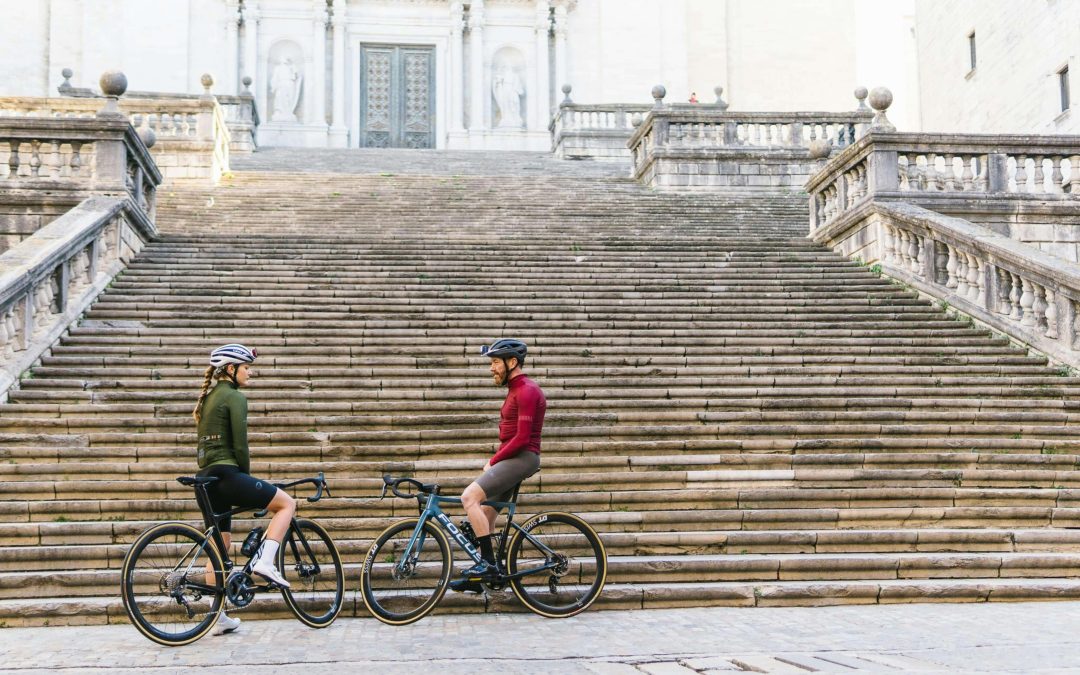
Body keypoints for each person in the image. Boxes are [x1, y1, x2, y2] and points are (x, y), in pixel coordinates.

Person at [193, 344, 297, 634]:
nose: (250, 372)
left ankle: (216, 618)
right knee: (286, 504)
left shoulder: (209, 397)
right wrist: (249, 480)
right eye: (246, 367)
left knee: (219, 547)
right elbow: (240, 445)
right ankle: (265, 562)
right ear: (231, 369)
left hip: (205, 478)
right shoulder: (235, 397)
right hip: (228, 475)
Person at [450, 338, 546, 593]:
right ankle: (485, 577)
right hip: (514, 458)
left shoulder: (527, 390)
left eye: (495, 362)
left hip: (523, 458)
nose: (492, 368)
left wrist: (494, 461)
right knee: (486, 515)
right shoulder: (516, 390)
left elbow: (523, 438)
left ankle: (489, 566)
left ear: (512, 362)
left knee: (469, 498)